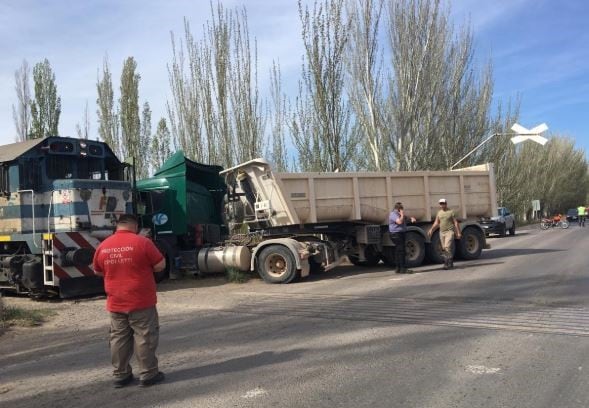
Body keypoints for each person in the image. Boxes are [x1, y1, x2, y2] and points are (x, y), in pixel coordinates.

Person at [93, 214, 166, 388]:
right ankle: (148, 374)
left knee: (119, 338)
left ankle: (121, 375)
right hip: (141, 299)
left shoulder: (103, 246)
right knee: (144, 336)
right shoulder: (143, 242)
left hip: (116, 301)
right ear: (135, 226)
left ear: (117, 226)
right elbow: (160, 265)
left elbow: (97, 271)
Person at [428, 198, 461, 270]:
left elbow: (455, 222)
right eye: (441, 204)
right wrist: (431, 230)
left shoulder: (451, 212)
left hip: (449, 232)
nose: (442, 205)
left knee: (447, 247)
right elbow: (436, 222)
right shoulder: (439, 213)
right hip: (442, 232)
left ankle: (447, 263)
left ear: (446, 204)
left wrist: (458, 232)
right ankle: (450, 261)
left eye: (443, 203)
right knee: (443, 248)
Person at [388, 202, 417, 274]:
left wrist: (411, 218)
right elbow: (399, 222)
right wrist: (402, 214)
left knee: (398, 250)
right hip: (396, 234)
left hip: (400, 233)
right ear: (398, 209)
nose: (402, 210)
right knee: (401, 251)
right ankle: (402, 268)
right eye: (401, 209)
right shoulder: (393, 214)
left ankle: (398, 268)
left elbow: (405, 218)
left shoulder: (398, 214)